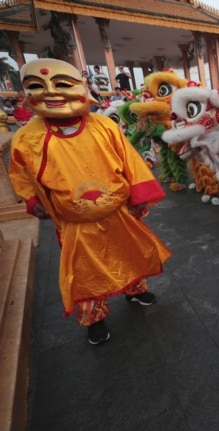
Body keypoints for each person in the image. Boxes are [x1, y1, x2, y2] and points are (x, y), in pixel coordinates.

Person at [8, 58, 172, 345]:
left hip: (117, 211)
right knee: (84, 272)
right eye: (37, 86)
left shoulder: (103, 126)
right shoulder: (26, 138)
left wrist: (138, 196)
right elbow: (20, 175)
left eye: (60, 84)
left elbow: (129, 160)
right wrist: (33, 202)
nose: (50, 92)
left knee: (129, 252)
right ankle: (94, 318)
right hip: (74, 222)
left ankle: (135, 291)